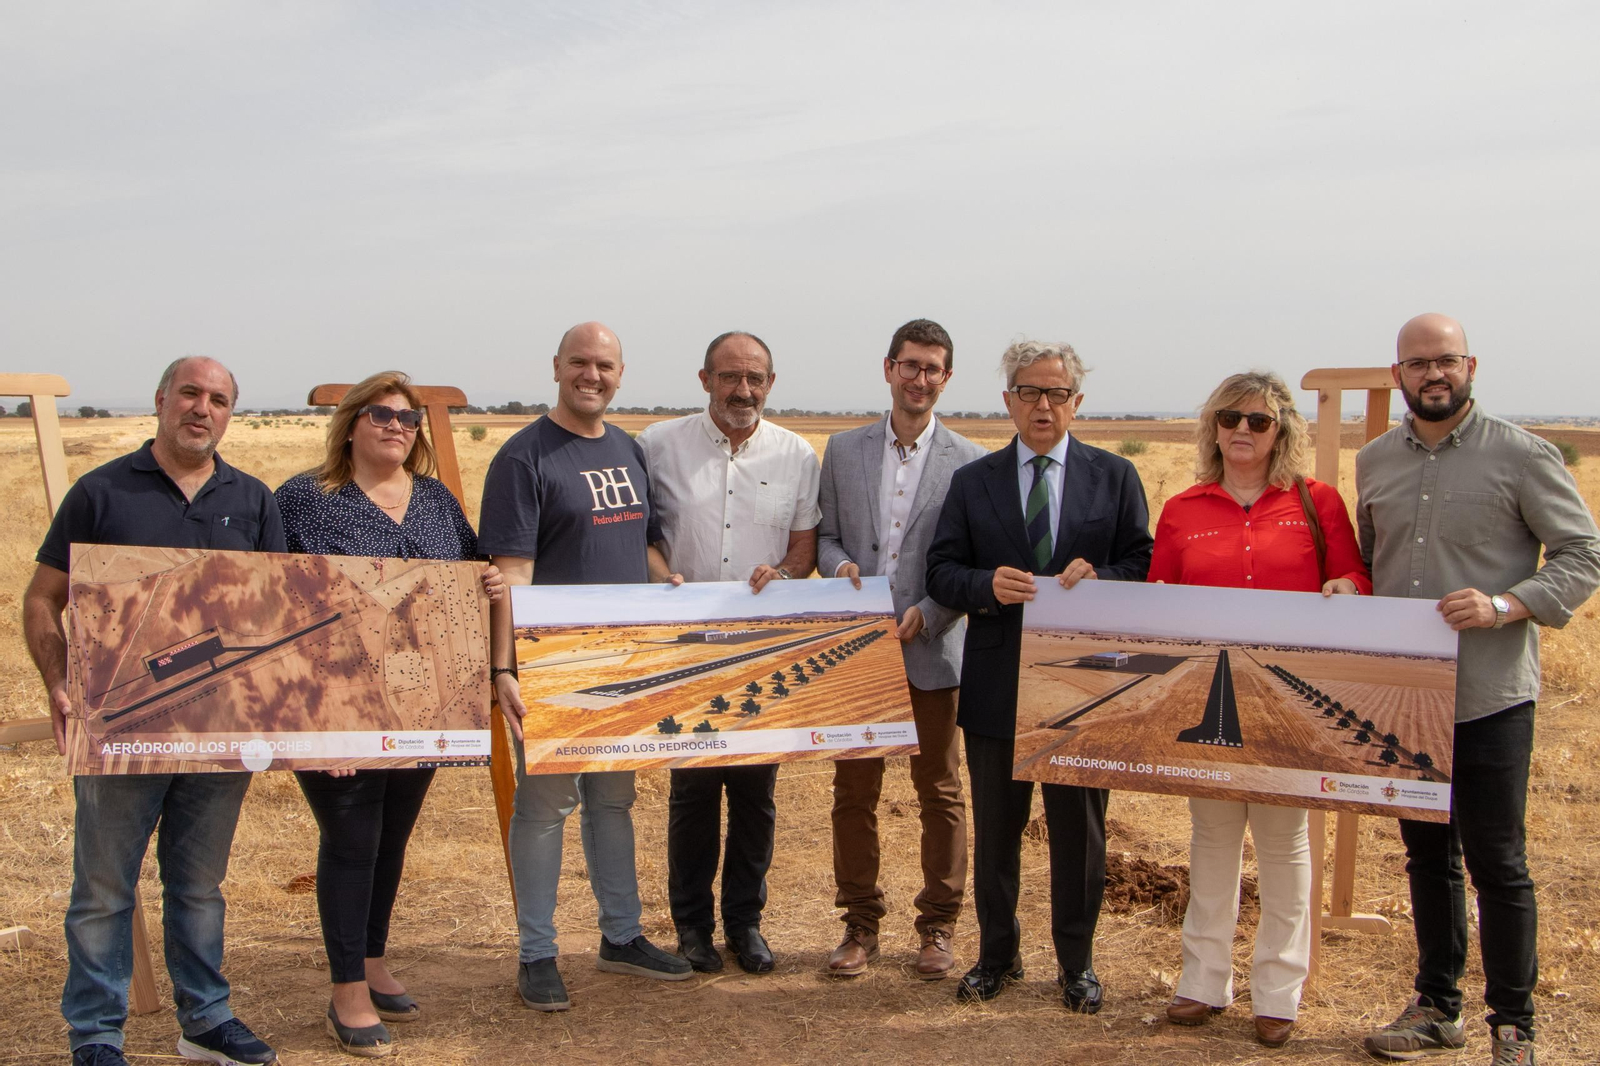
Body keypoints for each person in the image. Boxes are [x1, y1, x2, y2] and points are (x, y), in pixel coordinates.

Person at [22, 357, 284, 1066]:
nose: (203, 408)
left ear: (230, 414)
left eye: (219, 399)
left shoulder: (253, 500)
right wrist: (58, 680)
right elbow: (43, 598)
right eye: (190, 394)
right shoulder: (100, 492)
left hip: (221, 732)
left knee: (199, 887)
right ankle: (96, 1034)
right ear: (162, 399)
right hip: (121, 728)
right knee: (104, 888)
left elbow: (279, 613)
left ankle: (205, 1021)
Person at [1357, 314, 1600, 1066]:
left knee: (1499, 863)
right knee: (1428, 859)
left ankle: (1513, 1025)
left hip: (1491, 695)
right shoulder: (1373, 461)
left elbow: (1583, 554)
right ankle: (1437, 1007)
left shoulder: (1523, 456)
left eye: (1446, 360)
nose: (1433, 373)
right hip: (1407, 700)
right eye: (1417, 363)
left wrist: (1504, 604)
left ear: (1471, 366)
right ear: (1397, 374)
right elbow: (1370, 560)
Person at [275, 371, 504, 1056]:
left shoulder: (434, 499)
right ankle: (346, 992)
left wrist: (490, 579)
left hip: (422, 701)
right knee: (351, 837)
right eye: (381, 415)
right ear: (350, 423)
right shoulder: (303, 499)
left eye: (408, 419)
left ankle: (372, 961)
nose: (396, 428)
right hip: (334, 703)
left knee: (391, 836)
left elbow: (467, 571)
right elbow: (272, 599)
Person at [925, 339, 1153, 1011]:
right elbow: (941, 571)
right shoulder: (975, 482)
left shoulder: (1115, 477)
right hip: (998, 683)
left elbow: (1143, 563)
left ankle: (1076, 965)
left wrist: (1103, 577)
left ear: (1077, 402)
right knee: (997, 831)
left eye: (1056, 393)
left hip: (1084, 688)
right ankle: (997, 957)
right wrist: (985, 585)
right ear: (1009, 401)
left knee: (1079, 834)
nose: (1043, 405)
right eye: (1030, 392)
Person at [1148, 371, 1371, 1048]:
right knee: (1212, 838)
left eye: (1259, 420)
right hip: (1207, 695)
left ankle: (1278, 992)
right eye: (1230, 418)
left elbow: (1356, 575)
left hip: (1286, 699)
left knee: (1284, 843)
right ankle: (1202, 981)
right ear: (1213, 427)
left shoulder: (1317, 502)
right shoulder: (1182, 508)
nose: (1242, 430)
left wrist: (1346, 586)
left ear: (1282, 430)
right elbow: (1157, 596)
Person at [478, 321, 692, 1013]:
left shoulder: (629, 449)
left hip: (626, 658)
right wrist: (505, 668)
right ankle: (537, 953)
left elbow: (646, 544)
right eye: (579, 362)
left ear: (620, 374)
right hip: (553, 662)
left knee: (613, 801)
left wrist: (670, 583)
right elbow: (511, 572)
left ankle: (621, 937)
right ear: (556, 367)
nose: (590, 375)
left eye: (604, 365)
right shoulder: (523, 457)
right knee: (545, 808)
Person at [636, 331, 820, 975]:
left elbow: (804, 545)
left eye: (755, 379)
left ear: (770, 383)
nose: (743, 390)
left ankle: (746, 923)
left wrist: (786, 574)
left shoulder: (797, 454)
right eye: (730, 377)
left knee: (754, 795)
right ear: (705, 379)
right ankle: (691, 926)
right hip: (684, 646)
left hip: (762, 647)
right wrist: (660, 576)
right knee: (691, 792)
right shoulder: (657, 446)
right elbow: (643, 536)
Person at [816, 318, 985, 980]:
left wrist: (932, 612)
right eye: (909, 365)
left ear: (947, 378)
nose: (919, 378)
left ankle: (938, 925)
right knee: (853, 792)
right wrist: (839, 572)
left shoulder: (970, 462)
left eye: (932, 368)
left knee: (939, 791)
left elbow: (972, 562)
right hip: (858, 653)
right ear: (888, 368)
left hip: (933, 649)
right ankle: (860, 924)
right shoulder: (842, 450)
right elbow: (827, 537)